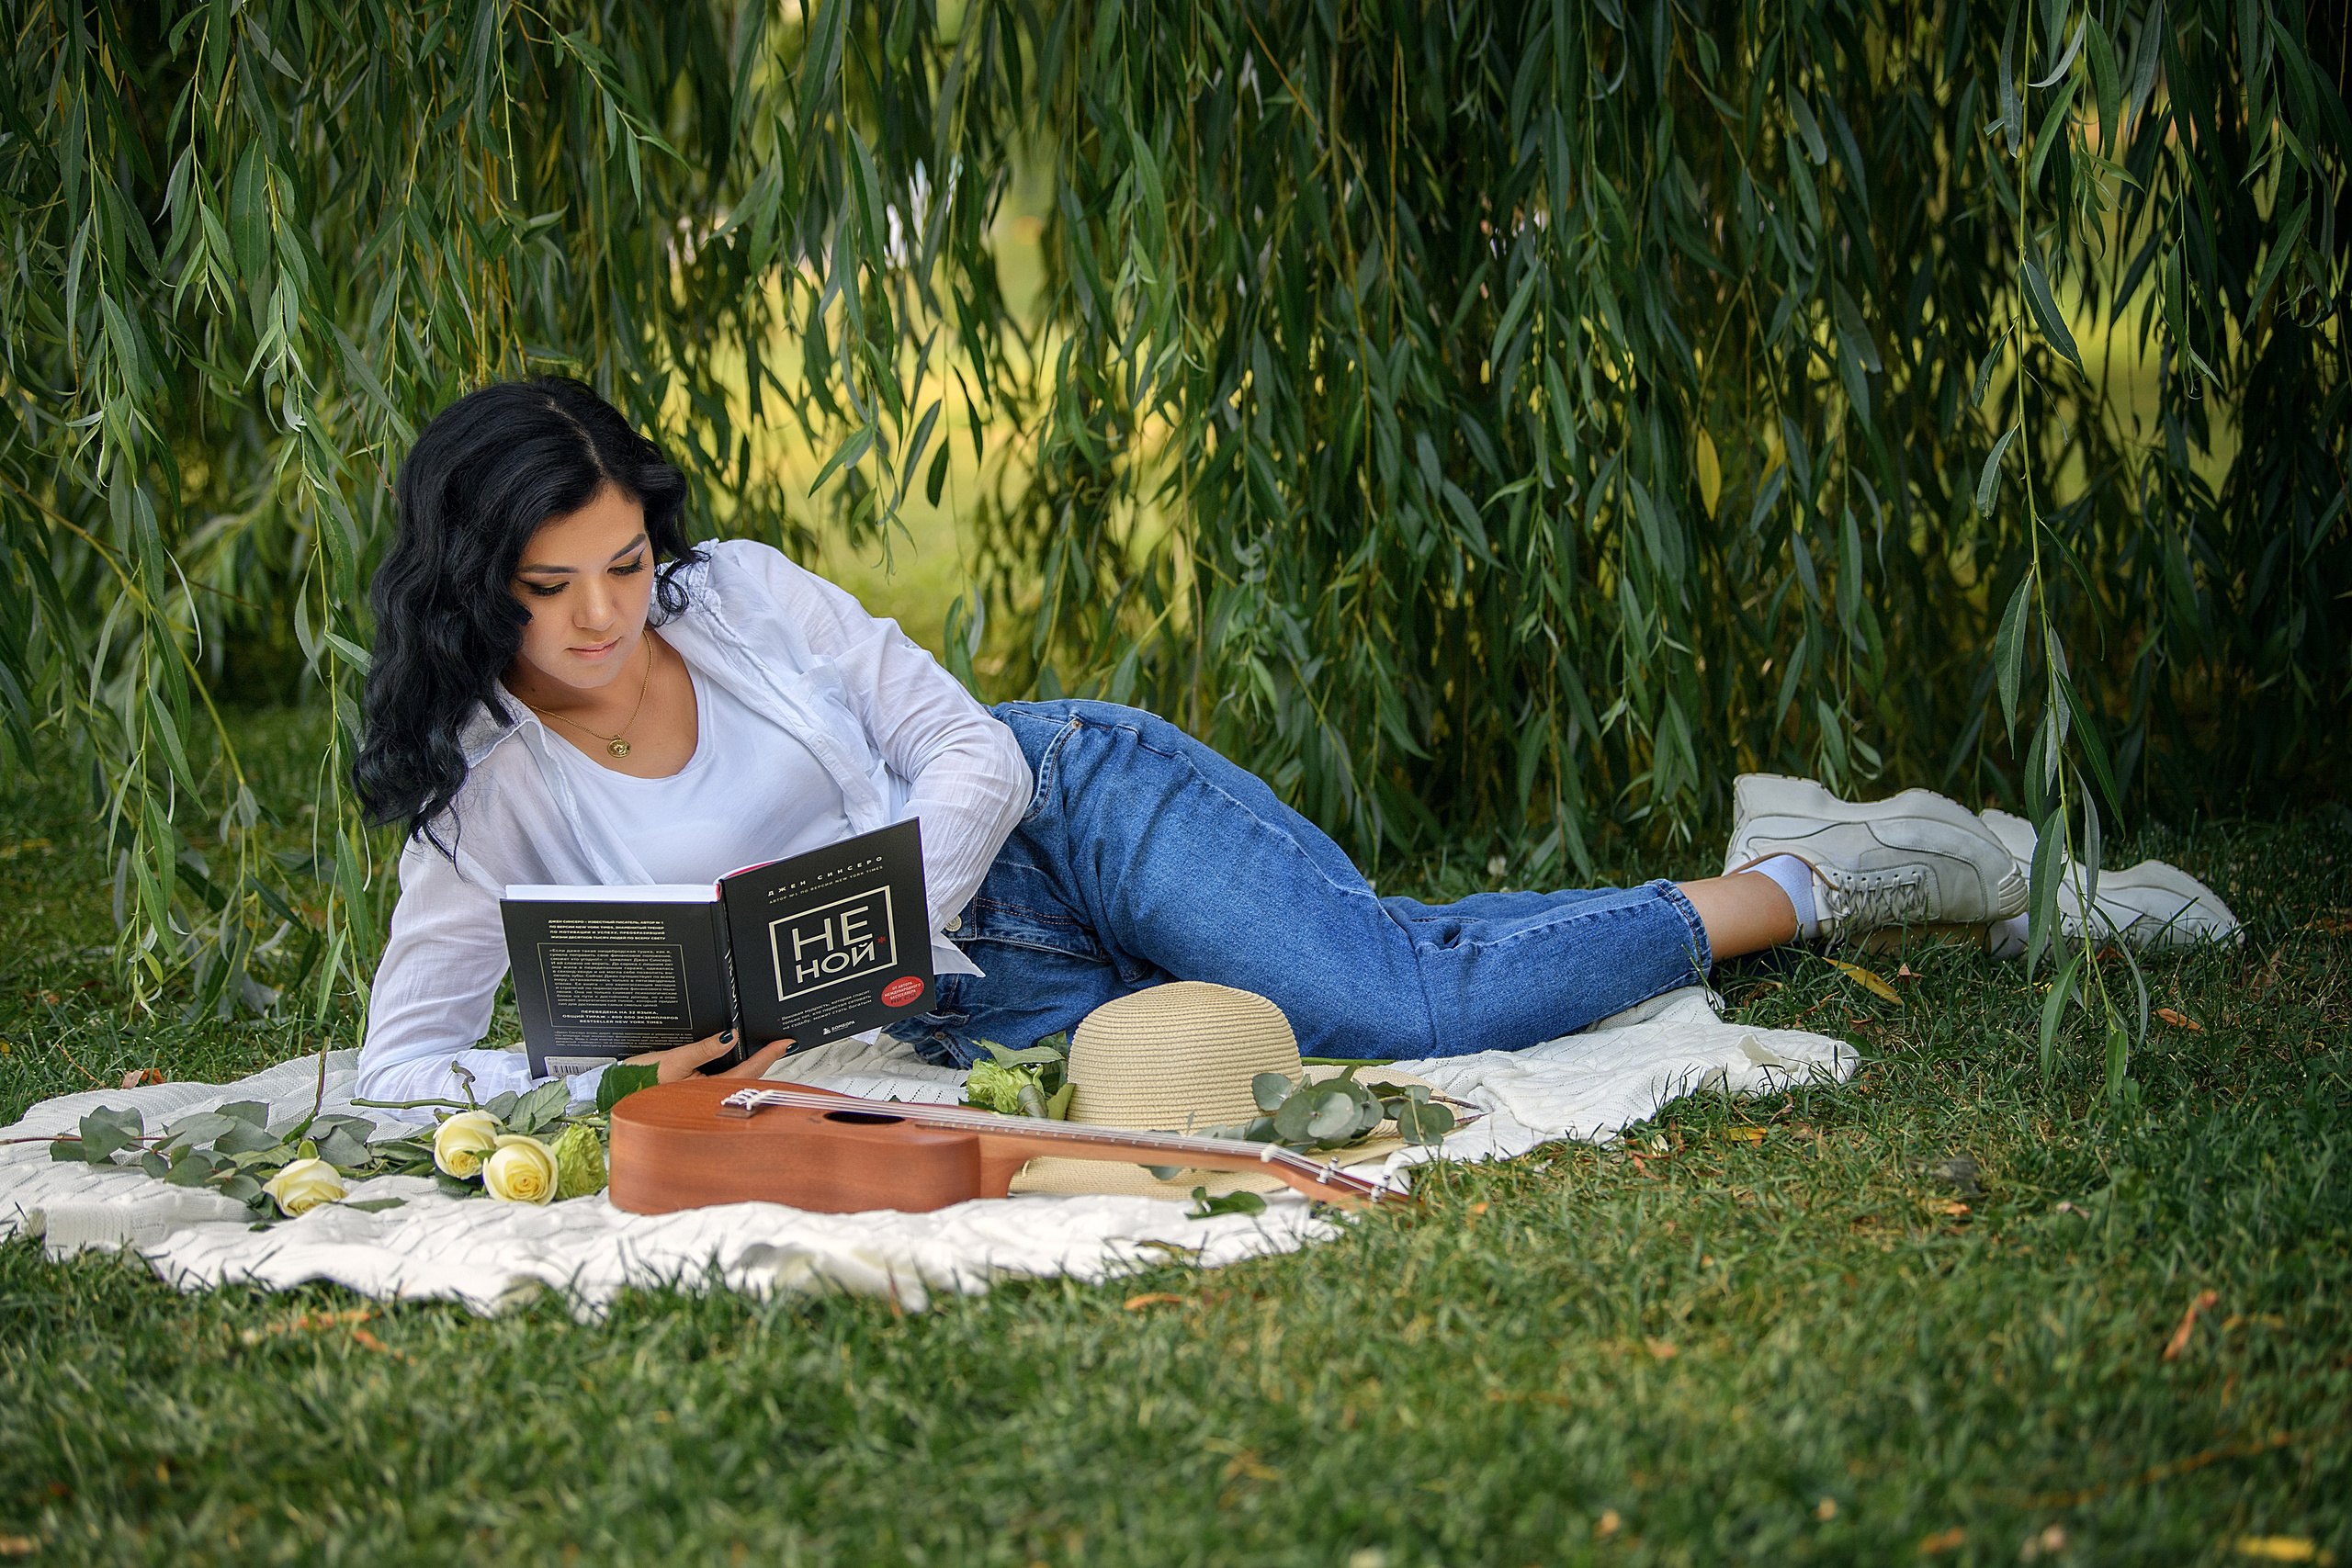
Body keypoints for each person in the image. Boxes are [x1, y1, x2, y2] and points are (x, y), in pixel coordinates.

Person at [351, 378, 2030, 1111]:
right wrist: (604, 1077)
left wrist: (861, 937)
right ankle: (1774, 844)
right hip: (980, 1024)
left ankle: (1827, 878)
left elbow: (971, 756)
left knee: (1401, 1002)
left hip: (1066, 811)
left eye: (627, 565)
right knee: (1364, 1017)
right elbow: (399, 1065)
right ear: (471, 593)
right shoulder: (480, 781)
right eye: (549, 589)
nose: (604, 621)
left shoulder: (743, 599)